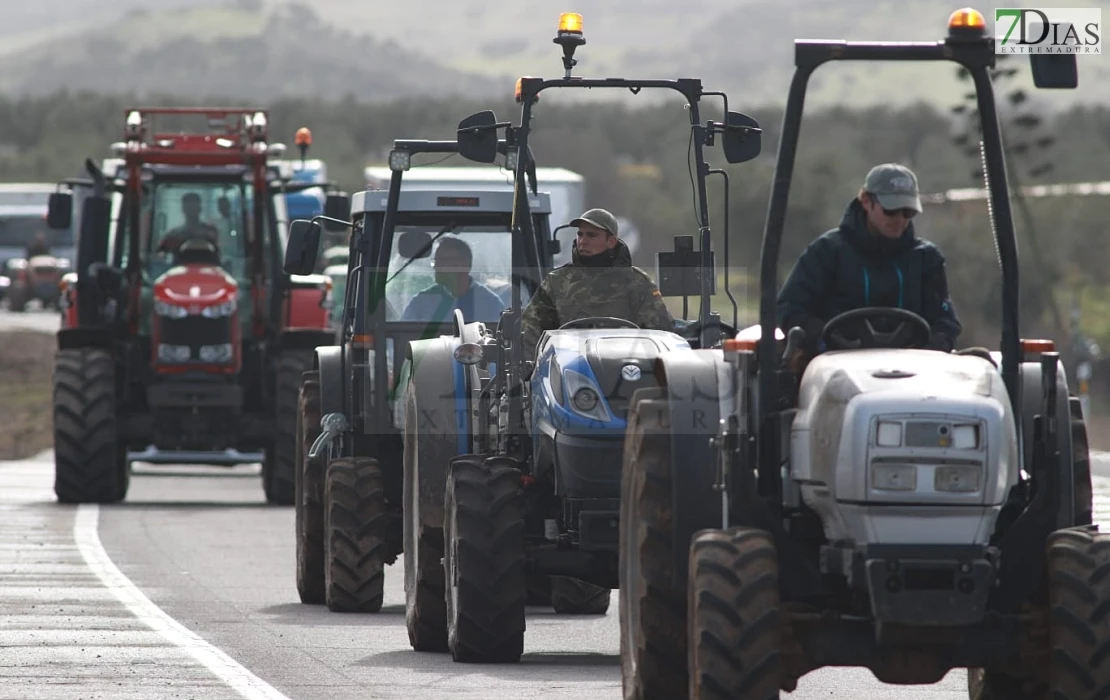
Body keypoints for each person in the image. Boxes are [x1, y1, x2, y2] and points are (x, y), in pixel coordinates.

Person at [777, 163, 962, 357]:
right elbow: (789, 309)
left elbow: (946, 322)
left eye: (908, 212)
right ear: (866, 201)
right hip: (837, 364)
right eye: (891, 210)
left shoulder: (927, 259)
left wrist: (931, 347)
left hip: (911, 369)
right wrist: (826, 339)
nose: (899, 219)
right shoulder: (828, 251)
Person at [520, 208, 674, 361]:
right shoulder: (556, 282)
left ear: (611, 241)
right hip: (568, 369)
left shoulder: (638, 283)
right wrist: (533, 372)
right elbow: (530, 329)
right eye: (580, 234)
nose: (583, 241)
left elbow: (660, 332)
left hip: (625, 368)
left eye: (592, 235)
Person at [400, 236, 505, 323]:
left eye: (442, 261)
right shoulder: (421, 302)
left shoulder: (491, 303)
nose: (436, 267)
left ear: (464, 265)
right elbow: (401, 340)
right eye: (435, 262)